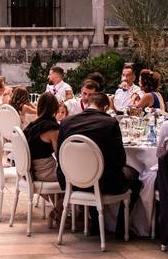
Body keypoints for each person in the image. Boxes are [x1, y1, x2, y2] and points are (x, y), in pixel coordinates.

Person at [57, 89, 134, 232]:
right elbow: (119, 160)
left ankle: (95, 224)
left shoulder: (66, 122)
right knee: (134, 176)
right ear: (105, 108)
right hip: (101, 184)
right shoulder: (110, 123)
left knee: (96, 171)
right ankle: (121, 229)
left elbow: (59, 153)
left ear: (88, 104)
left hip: (71, 181)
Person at [23, 92, 63, 224]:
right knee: (78, 177)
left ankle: (60, 212)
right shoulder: (51, 128)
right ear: (55, 108)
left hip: (29, 171)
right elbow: (60, 154)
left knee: (63, 180)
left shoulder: (30, 126)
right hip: (44, 171)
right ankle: (61, 212)